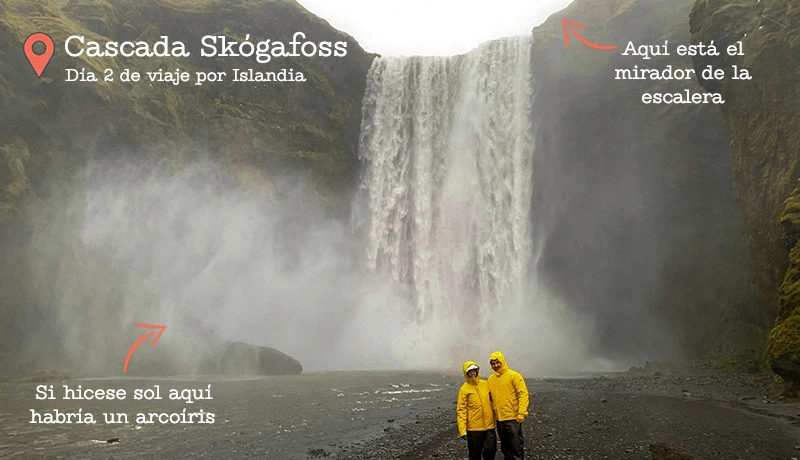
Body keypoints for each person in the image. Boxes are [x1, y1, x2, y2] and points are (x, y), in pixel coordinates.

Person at [487, 351, 529, 460]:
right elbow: (489, 398)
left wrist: (521, 412)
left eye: (497, 363)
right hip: (500, 419)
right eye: (493, 364)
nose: (495, 366)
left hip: (513, 418)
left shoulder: (514, 376)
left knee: (516, 446)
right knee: (505, 448)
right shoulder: (491, 379)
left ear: (502, 362)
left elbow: (523, 394)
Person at [457, 361, 497, 460]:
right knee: (475, 454)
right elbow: (461, 410)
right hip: (474, 428)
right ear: (466, 374)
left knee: (491, 450)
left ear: (477, 371)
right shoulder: (464, 389)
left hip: (489, 426)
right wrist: (462, 430)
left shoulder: (485, 384)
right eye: (470, 372)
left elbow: (495, 399)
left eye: (474, 371)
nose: (473, 373)